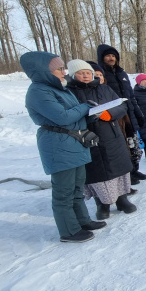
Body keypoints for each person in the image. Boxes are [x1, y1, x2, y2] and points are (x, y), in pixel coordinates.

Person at [22, 51, 105, 243]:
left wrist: (92, 112)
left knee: (77, 188)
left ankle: (82, 222)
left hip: (75, 142)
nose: (63, 71)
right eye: (58, 69)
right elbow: (62, 117)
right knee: (63, 192)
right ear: (44, 71)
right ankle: (69, 230)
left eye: (62, 68)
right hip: (58, 145)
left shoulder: (61, 88)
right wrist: (85, 107)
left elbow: (74, 113)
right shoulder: (38, 91)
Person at [65, 60, 136, 220]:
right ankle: (101, 205)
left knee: (118, 169)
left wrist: (110, 114)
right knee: (96, 173)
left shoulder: (104, 88)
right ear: (73, 75)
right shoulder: (69, 93)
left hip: (111, 134)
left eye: (88, 73)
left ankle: (122, 200)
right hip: (87, 137)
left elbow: (121, 105)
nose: (85, 76)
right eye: (81, 73)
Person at [96, 44, 146, 184]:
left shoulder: (122, 73)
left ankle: (134, 170)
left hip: (129, 113)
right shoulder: (101, 75)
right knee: (123, 148)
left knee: (134, 146)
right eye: (108, 56)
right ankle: (127, 175)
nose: (111, 58)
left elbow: (131, 96)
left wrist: (138, 113)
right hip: (116, 117)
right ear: (102, 58)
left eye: (113, 56)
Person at [88, 61, 138, 197]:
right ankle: (103, 202)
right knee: (101, 167)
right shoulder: (78, 91)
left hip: (116, 126)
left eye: (100, 75)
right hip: (94, 134)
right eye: (95, 74)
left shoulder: (107, 90)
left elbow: (122, 105)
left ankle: (122, 194)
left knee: (122, 158)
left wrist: (111, 114)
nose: (98, 77)